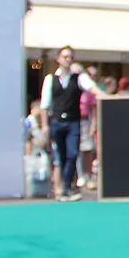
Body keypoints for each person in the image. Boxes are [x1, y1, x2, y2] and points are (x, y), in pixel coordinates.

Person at [40, 46, 103, 201]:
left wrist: (105, 96)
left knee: (73, 153)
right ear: (58, 59)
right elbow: (44, 104)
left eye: (70, 57)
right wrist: (44, 125)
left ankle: (67, 187)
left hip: (73, 121)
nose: (68, 60)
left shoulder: (79, 77)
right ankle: (64, 188)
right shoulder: (50, 79)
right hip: (57, 121)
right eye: (65, 57)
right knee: (60, 156)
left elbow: (93, 88)